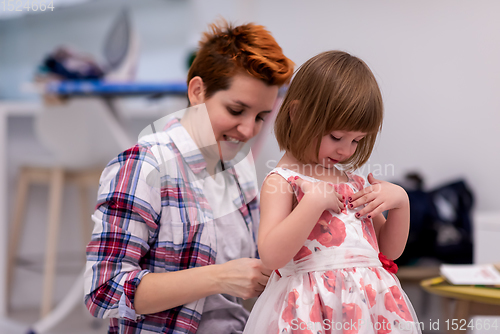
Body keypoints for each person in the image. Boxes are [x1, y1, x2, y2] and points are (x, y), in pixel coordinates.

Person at [84, 20, 294, 334]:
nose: (249, 130)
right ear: (197, 91)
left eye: (261, 117)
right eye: (236, 110)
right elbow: (104, 292)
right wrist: (218, 277)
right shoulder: (144, 166)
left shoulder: (238, 171)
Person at [243, 51, 422, 333]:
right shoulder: (283, 180)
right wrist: (312, 203)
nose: (346, 150)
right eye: (337, 137)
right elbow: (271, 255)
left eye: (357, 140)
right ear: (297, 113)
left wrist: (401, 203)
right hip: (310, 310)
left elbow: (389, 250)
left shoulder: (354, 182)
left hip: (368, 308)